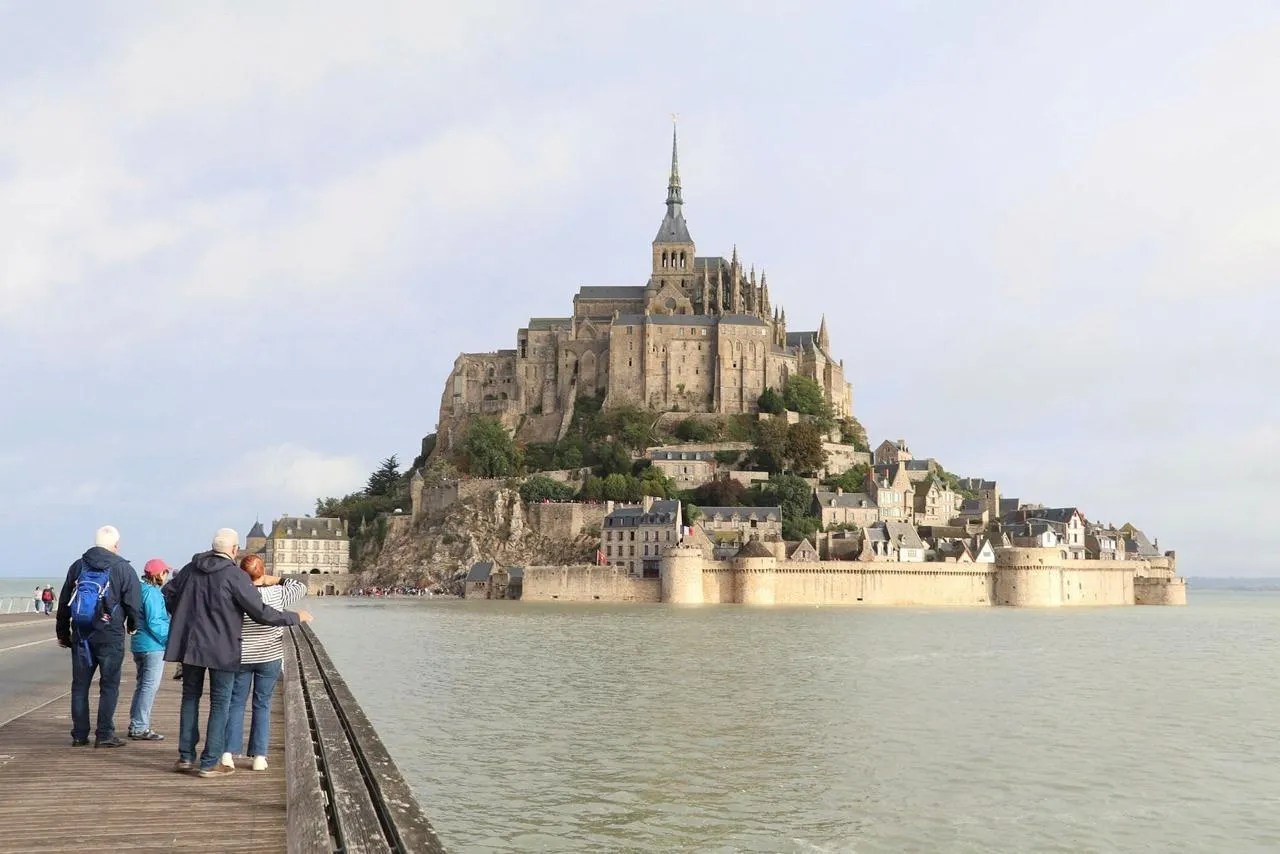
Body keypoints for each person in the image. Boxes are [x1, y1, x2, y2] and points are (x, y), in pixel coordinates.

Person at [163, 528, 312, 777]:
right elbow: (260, 612)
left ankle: (186, 756)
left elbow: (167, 592)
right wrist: (294, 617)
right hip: (222, 646)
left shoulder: (190, 569)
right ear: (234, 550)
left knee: (190, 697)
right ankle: (209, 762)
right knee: (220, 702)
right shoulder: (234, 575)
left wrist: (183, 615)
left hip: (191, 644)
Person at [55, 525, 142, 748]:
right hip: (110, 634)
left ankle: (79, 734)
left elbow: (65, 601)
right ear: (116, 545)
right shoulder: (123, 568)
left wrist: (63, 633)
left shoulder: (78, 566)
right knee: (109, 685)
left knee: (80, 685)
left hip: (82, 633)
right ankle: (104, 735)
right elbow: (133, 604)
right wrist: (133, 626)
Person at [221, 554, 306, 771]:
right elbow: (300, 587)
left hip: (242, 655)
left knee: (236, 703)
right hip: (269, 656)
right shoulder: (277, 593)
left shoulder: (237, 594)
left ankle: (228, 753)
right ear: (263, 571)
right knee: (262, 704)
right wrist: (275, 579)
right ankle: (259, 756)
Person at [128, 559, 172, 740]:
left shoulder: (138, 589)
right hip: (152, 645)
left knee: (142, 685)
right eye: (165, 572)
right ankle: (139, 727)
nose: (167, 576)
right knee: (149, 687)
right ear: (159, 574)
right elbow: (155, 621)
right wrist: (170, 640)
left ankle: (135, 723)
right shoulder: (152, 593)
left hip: (139, 644)